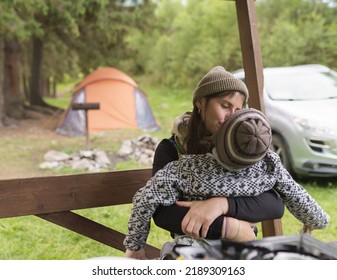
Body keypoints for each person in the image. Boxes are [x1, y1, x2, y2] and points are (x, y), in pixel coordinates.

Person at [123, 108, 330, 259]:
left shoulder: (188, 168)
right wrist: (317, 220)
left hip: (191, 248)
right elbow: (297, 197)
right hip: (242, 250)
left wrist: (135, 245)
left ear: (220, 141)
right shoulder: (269, 166)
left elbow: (145, 198)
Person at [152, 66, 284, 242]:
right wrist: (230, 228)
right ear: (201, 102)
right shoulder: (171, 149)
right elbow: (163, 212)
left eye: (237, 110)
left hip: (241, 250)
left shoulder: (246, 149)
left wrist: (221, 204)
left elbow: (275, 204)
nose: (230, 117)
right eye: (225, 106)